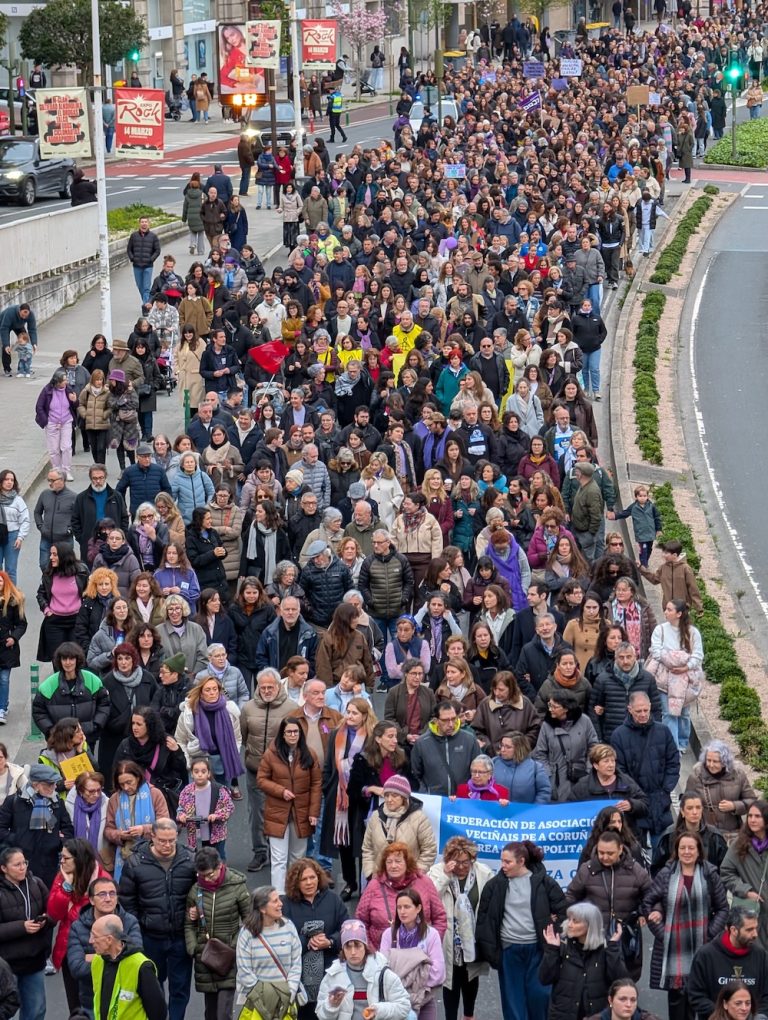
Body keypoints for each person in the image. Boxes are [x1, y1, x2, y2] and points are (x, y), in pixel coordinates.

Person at [642, 831, 728, 1020]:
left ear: (699, 851)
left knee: (706, 1002)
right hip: (675, 952)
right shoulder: (666, 874)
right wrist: (663, 933)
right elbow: (648, 903)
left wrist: (710, 934)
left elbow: (722, 908)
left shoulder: (709, 874)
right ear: (677, 850)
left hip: (704, 949)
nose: (687, 852)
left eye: (691, 848)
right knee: (678, 1006)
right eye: (682, 848)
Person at [476, 840, 566, 1020]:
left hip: (538, 950)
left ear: (521, 861)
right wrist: (491, 953)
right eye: (502, 861)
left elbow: (563, 912)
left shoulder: (545, 883)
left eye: (507, 862)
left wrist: (553, 935)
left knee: (540, 997)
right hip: (509, 950)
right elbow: (484, 920)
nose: (503, 866)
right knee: (513, 1003)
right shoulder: (494, 886)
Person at [118, 817, 196, 1020]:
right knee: (153, 987)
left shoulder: (189, 860)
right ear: (152, 836)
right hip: (150, 937)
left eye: (171, 840)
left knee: (180, 988)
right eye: (162, 840)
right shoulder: (135, 863)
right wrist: (137, 932)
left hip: (180, 936)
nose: (167, 845)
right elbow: (127, 903)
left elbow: (199, 893)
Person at [565, 829, 651, 980]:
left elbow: (651, 894)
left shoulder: (635, 870)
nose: (604, 857)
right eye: (601, 852)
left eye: (610, 853)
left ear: (620, 849)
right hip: (593, 935)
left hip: (625, 937)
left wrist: (643, 912)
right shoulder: (587, 870)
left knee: (625, 980)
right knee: (595, 981)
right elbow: (571, 896)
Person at [184, 845, 250, 1020]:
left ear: (220, 866)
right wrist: (193, 948)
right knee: (211, 1013)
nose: (206, 879)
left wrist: (235, 946)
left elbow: (250, 921)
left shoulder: (237, 886)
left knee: (223, 1013)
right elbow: (189, 924)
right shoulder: (196, 890)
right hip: (205, 958)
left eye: (210, 874)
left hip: (229, 956)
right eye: (201, 875)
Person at [321, 698, 378, 900]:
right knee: (344, 842)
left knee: (363, 842)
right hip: (339, 797)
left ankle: (365, 884)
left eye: (354, 713)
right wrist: (327, 788)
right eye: (348, 711)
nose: (349, 716)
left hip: (363, 797)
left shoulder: (372, 737)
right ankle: (350, 882)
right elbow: (328, 765)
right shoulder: (336, 734)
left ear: (364, 716)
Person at [257, 717, 322, 894]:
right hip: (277, 813)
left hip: (301, 813)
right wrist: (281, 791)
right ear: (282, 734)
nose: (293, 735)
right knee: (279, 858)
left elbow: (316, 784)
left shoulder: (309, 754)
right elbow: (261, 780)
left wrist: (313, 812)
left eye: (296, 731)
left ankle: (295, 894)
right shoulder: (271, 754)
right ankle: (279, 896)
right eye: (289, 732)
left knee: (298, 858)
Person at [610, 692, 680, 855]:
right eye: (638, 711)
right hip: (634, 802)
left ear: (650, 707)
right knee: (634, 852)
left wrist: (665, 790)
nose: (642, 714)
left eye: (645, 710)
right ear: (630, 709)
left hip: (659, 799)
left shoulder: (663, 731)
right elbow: (619, 770)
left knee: (663, 852)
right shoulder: (619, 735)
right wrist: (633, 795)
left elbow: (673, 762)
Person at [46, 836, 111, 1011]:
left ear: (79, 859)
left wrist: (71, 908)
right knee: (75, 1005)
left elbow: (103, 913)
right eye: (61, 856)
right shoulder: (62, 877)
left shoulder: (102, 880)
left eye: (66, 858)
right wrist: (67, 887)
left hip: (95, 946)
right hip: (69, 947)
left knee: (98, 1004)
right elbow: (54, 914)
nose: (61, 861)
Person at [281, 857, 349, 1020]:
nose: (309, 882)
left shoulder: (333, 900)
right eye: (303, 879)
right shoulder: (286, 905)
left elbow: (347, 930)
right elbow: (282, 941)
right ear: (295, 882)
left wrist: (330, 942)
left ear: (319, 877)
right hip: (299, 977)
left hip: (330, 971)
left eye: (312, 877)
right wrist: (307, 942)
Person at [67, 875, 143, 1013]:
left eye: (112, 893)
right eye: (102, 894)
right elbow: (77, 969)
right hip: (92, 1001)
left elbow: (135, 957)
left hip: (125, 1002)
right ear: (91, 900)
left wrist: (92, 957)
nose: (108, 899)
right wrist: (115, 955)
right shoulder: (78, 927)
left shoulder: (130, 922)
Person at [540, 901, 628, 1020]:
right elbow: (545, 979)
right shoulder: (562, 945)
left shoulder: (606, 948)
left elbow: (621, 982)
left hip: (596, 1016)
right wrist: (552, 950)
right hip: (563, 1015)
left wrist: (613, 950)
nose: (570, 924)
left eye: (575, 921)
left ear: (590, 924)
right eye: (569, 919)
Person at [356, 842, 447, 951]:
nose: (393, 866)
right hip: (381, 955)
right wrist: (372, 952)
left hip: (421, 954)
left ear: (407, 863)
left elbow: (440, 917)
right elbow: (360, 922)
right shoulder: (373, 886)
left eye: (398, 861)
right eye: (389, 862)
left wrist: (432, 945)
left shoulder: (425, 882)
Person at [316, 917, 411, 1020]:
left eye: (358, 946)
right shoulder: (333, 975)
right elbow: (321, 1015)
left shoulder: (382, 972)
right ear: (342, 949)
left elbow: (404, 1006)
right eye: (348, 947)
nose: (353, 952)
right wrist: (331, 1005)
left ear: (365, 946)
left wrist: (378, 1011)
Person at [0, 764, 74, 890]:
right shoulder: (14, 802)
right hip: (22, 862)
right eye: (49, 784)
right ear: (36, 785)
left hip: (49, 862)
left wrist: (59, 841)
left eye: (54, 784)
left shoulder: (56, 802)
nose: (53, 787)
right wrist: (17, 840)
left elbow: (68, 828)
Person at [234, 885, 302, 1020]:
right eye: (275, 901)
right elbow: (244, 969)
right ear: (262, 908)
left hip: (285, 1000)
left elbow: (296, 963)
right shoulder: (246, 933)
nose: (281, 904)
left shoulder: (288, 927)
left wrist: (290, 991)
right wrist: (263, 996)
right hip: (257, 1004)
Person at [687, 907, 768, 1020]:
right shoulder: (706, 955)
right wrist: (722, 1015)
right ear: (734, 930)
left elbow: (766, 995)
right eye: (749, 930)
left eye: (755, 928)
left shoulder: (760, 955)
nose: (755, 934)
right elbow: (695, 995)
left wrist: (757, 1016)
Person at [379, 886, 446, 1020]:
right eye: (399, 907)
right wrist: (417, 972)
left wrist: (407, 980)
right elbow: (382, 968)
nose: (402, 911)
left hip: (424, 1000)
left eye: (407, 907)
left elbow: (438, 972)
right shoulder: (388, 934)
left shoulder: (431, 935)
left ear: (418, 908)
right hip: (394, 1002)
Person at [0, 846, 51, 1020]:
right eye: (17, 865)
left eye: (24, 863)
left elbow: (51, 912)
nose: (23, 868)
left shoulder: (36, 883)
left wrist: (46, 919)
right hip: (7, 963)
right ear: (4, 868)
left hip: (34, 959)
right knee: (5, 1011)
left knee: (36, 1010)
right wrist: (22, 927)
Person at [646, 599, 703, 754]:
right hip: (664, 678)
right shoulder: (660, 630)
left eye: (669, 610)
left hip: (686, 680)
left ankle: (683, 742)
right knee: (668, 712)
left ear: (679, 614)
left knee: (684, 713)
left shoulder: (692, 633)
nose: (665, 612)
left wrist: (685, 666)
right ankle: (672, 746)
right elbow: (656, 651)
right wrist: (673, 661)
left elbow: (698, 655)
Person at [90, 912, 167, 1020]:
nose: (90, 941)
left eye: (95, 936)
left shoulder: (141, 966)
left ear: (109, 940)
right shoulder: (97, 961)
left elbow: (158, 1012)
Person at [32, 642, 110, 746]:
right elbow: (38, 711)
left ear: (77, 660)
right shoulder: (48, 684)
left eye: (71, 659)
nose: (68, 663)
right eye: (64, 659)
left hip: (86, 739)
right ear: (59, 661)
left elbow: (104, 704)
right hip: (59, 743)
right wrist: (52, 731)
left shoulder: (92, 680)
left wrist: (95, 725)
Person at [361, 774, 437, 881]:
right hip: (380, 881)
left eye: (394, 795)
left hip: (410, 882)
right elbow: (367, 848)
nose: (389, 799)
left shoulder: (419, 818)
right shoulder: (375, 817)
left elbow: (429, 850)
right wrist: (371, 873)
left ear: (404, 798)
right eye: (386, 795)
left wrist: (415, 874)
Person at [175, 675, 243, 787]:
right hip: (198, 767)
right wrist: (188, 762)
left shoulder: (230, 711)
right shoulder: (189, 713)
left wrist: (232, 756)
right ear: (201, 693)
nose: (212, 693)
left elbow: (237, 738)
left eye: (215, 689)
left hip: (223, 765)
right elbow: (180, 740)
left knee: (222, 797)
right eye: (208, 690)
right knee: (199, 798)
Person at [686, 740, 757, 837]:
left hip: (732, 832)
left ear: (724, 762)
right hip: (705, 833)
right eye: (708, 760)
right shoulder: (696, 777)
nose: (711, 765)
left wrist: (734, 806)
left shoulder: (738, 775)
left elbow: (752, 801)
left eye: (715, 761)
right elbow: (686, 803)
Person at [411, 700, 482, 795]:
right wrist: (426, 793)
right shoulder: (422, 743)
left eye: (453, 719)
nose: (451, 724)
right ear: (436, 721)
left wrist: (471, 792)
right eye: (445, 720)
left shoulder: (469, 740)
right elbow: (415, 775)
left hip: (463, 799)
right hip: (434, 800)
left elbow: (480, 770)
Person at [35, 542, 90, 662]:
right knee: (58, 659)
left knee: (76, 658)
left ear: (64, 556)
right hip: (54, 622)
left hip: (76, 621)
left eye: (55, 554)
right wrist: (46, 610)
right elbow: (41, 594)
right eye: (51, 554)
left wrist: (83, 610)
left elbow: (89, 592)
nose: (51, 557)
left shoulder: (81, 571)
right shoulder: (48, 574)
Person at [651, 792, 728, 877]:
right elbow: (657, 868)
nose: (694, 812)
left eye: (698, 808)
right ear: (682, 811)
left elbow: (725, 869)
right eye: (690, 808)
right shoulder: (669, 836)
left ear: (702, 810)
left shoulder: (714, 836)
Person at [383, 659, 436, 753]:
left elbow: (434, 717)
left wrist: (423, 734)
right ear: (406, 674)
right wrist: (405, 736)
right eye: (414, 673)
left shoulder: (429, 693)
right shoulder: (394, 692)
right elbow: (389, 718)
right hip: (400, 743)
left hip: (424, 740)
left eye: (420, 674)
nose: (417, 677)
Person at [64, 770, 112, 870]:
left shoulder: (108, 803)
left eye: (99, 790)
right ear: (80, 791)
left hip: (102, 860)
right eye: (91, 791)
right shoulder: (68, 805)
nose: (96, 794)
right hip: (76, 860)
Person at [492, 731, 552, 803]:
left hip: (527, 810)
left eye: (508, 747)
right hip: (496, 809)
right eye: (501, 745)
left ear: (519, 749)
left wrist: (536, 808)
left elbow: (544, 791)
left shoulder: (535, 767)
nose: (502, 750)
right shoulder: (493, 763)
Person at [0, 571, 26, 725]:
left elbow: (22, 624)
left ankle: (2, 708)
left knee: (4, 678)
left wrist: (14, 638)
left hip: (6, 648)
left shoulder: (12, 602)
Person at [0, 469, 30, 584]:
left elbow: (25, 520)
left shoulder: (18, 500)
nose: (9, 482)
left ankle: (11, 594)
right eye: (6, 479)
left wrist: (20, 537)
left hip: (12, 536)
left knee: (10, 570)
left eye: (12, 480)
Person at [127, 216, 161, 306]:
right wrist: (132, 258)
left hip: (148, 266)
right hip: (137, 266)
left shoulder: (153, 236)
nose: (144, 224)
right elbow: (129, 249)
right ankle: (148, 302)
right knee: (140, 286)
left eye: (146, 222)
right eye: (142, 222)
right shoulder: (134, 236)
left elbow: (157, 250)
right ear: (139, 224)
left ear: (148, 224)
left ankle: (145, 305)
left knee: (146, 287)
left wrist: (151, 259)